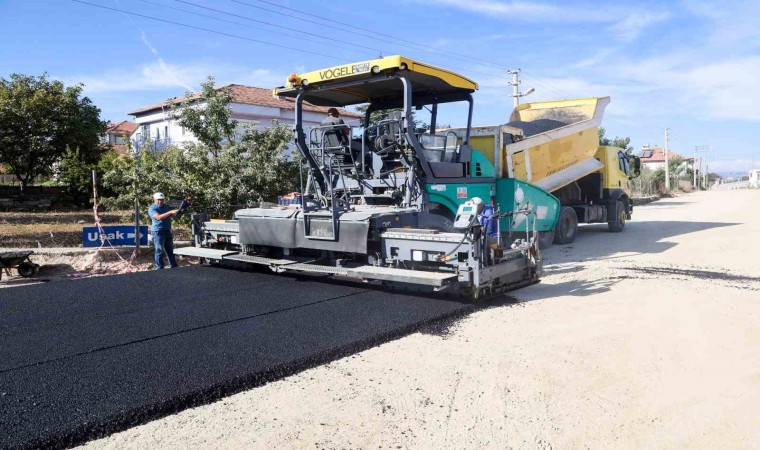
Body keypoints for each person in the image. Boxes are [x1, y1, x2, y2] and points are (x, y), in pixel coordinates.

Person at [148, 192, 178, 269]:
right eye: (158, 200)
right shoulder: (152, 208)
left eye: (162, 200)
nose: (160, 201)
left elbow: (169, 215)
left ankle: (174, 267)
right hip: (158, 232)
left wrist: (176, 212)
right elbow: (159, 217)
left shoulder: (166, 206)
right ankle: (160, 268)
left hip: (167, 231)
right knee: (159, 251)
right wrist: (170, 212)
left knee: (170, 250)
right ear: (154, 200)